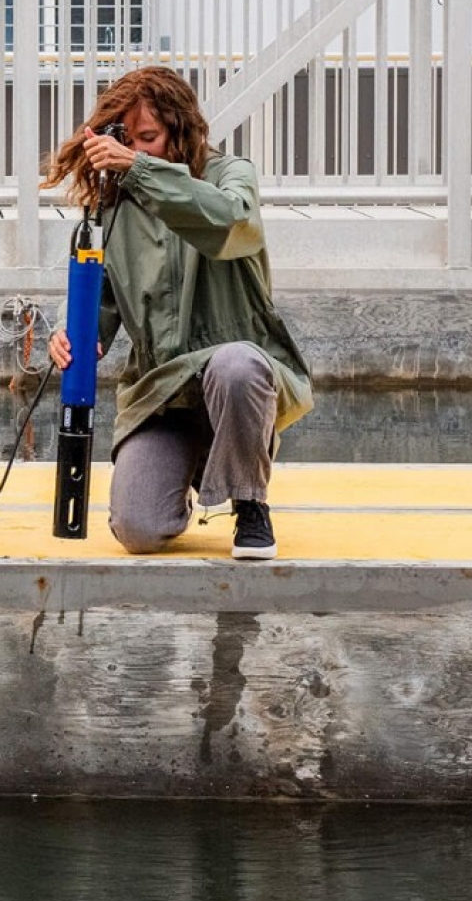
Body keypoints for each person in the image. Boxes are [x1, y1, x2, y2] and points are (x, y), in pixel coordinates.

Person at [44, 66, 312, 560]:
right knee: (137, 531)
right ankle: (190, 471)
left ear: (181, 128)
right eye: (127, 139)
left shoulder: (231, 174)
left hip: (235, 381)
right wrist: (67, 332)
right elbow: (98, 301)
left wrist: (141, 171)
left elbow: (231, 222)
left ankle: (250, 503)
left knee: (237, 364)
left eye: (149, 138)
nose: (137, 151)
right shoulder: (114, 207)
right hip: (163, 391)